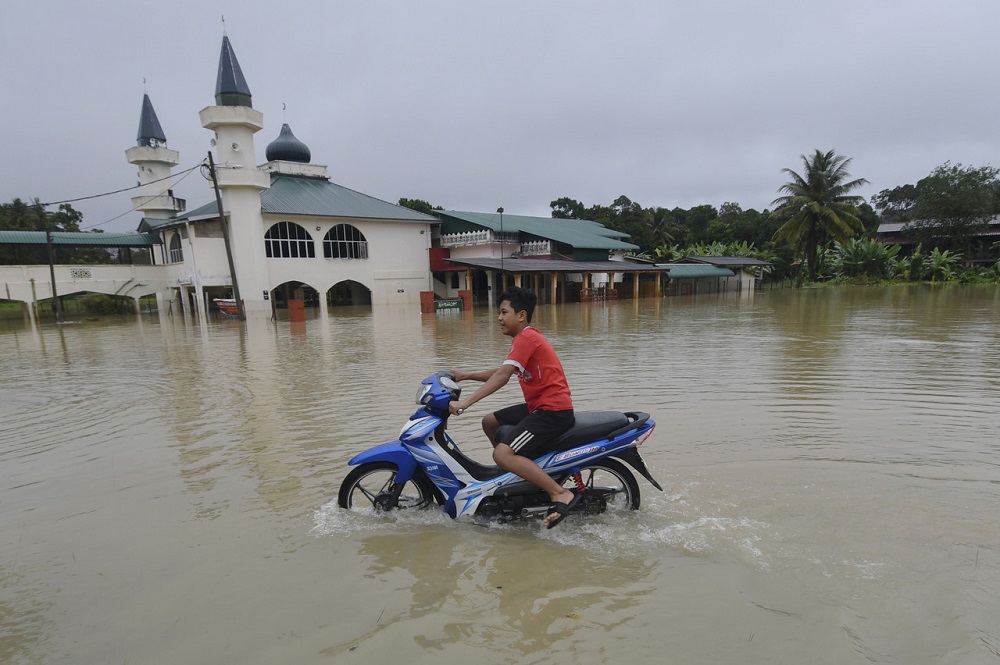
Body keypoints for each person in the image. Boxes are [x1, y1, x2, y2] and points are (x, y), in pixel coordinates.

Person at [449, 286, 580, 528]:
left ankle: (558, 492)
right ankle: (515, 473)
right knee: (490, 421)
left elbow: (502, 377)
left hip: (552, 411)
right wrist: (465, 375)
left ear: (521, 315)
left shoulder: (527, 338)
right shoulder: (525, 339)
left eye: (503, 312)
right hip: (539, 406)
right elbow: (501, 370)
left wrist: (465, 403)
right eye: (498, 313)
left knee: (502, 453)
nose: (499, 318)